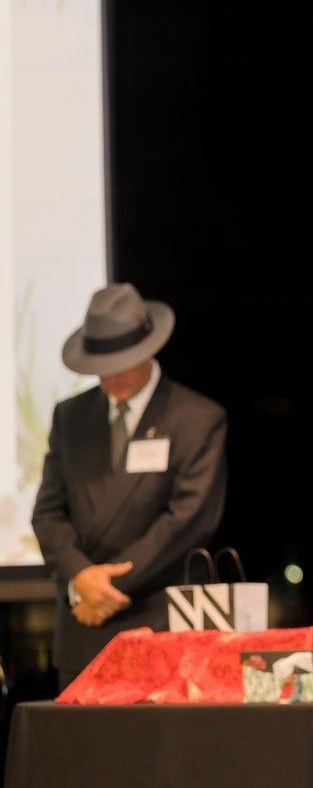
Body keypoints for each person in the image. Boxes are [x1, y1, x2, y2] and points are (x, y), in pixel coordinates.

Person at [31, 283, 228, 689]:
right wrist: (80, 578)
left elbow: (188, 520)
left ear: (148, 351)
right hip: (82, 626)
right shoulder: (70, 417)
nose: (109, 378)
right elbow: (47, 513)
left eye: (120, 364)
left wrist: (106, 588)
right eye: (100, 367)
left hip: (159, 623)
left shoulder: (196, 417)